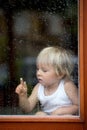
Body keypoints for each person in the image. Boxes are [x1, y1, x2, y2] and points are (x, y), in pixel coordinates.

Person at [15, 46, 78, 116]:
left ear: (60, 74)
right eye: (37, 69)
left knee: (67, 116)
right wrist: (23, 96)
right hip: (48, 122)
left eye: (44, 70)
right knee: (39, 114)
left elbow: (79, 106)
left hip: (64, 122)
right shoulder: (39, 87)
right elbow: (27, 109)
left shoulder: (67, 86)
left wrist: (60, 112)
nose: (38, 73)